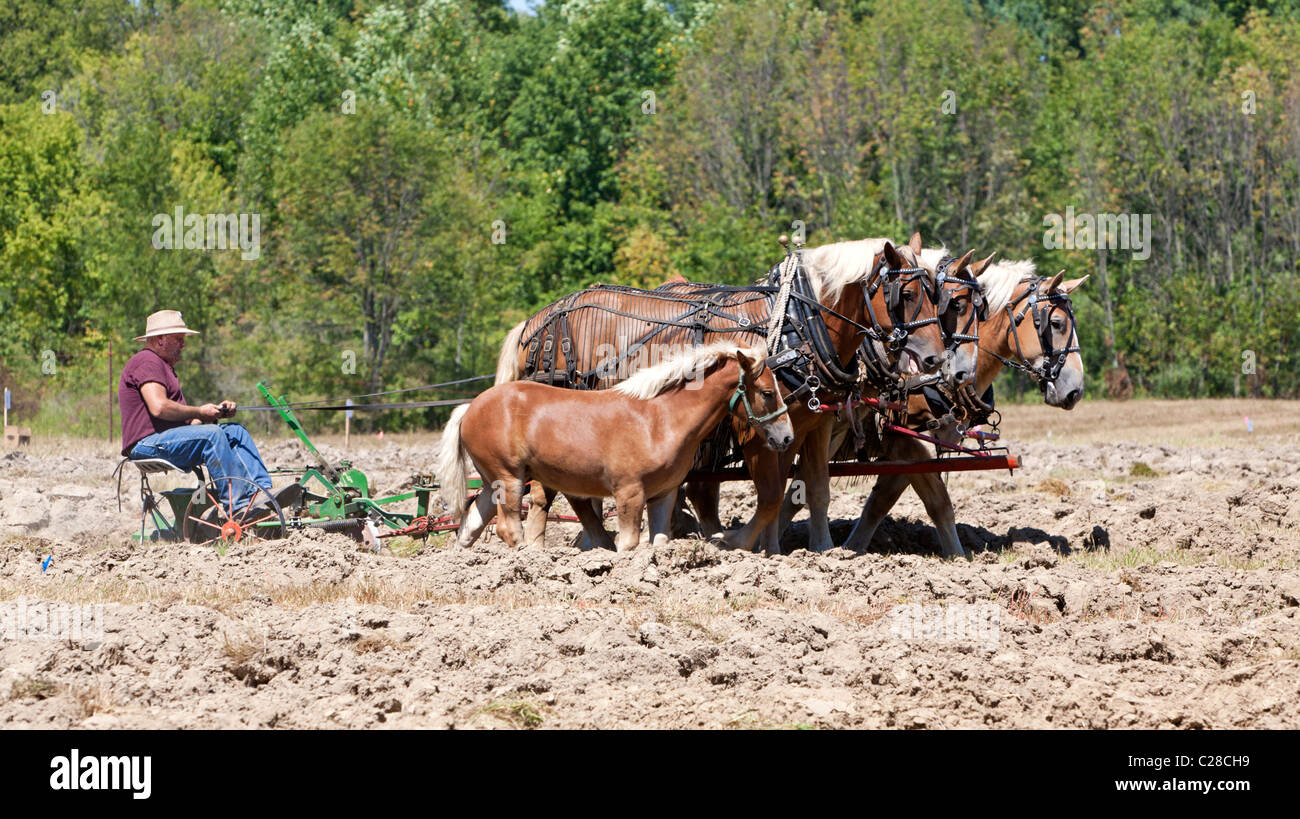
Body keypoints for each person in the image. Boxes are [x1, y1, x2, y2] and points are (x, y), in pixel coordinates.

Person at [118, 310, 298, 514]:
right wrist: (200, 411)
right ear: (160, 339)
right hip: (146, 444)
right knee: (212, 435)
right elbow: (159, 407)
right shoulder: (147, 361)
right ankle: (237, 505)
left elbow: (185, 428)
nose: (183, 344)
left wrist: (212, 414)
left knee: (234, 432)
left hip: (164, 439)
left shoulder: (163, 366)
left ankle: (260, 492)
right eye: (179, 339)